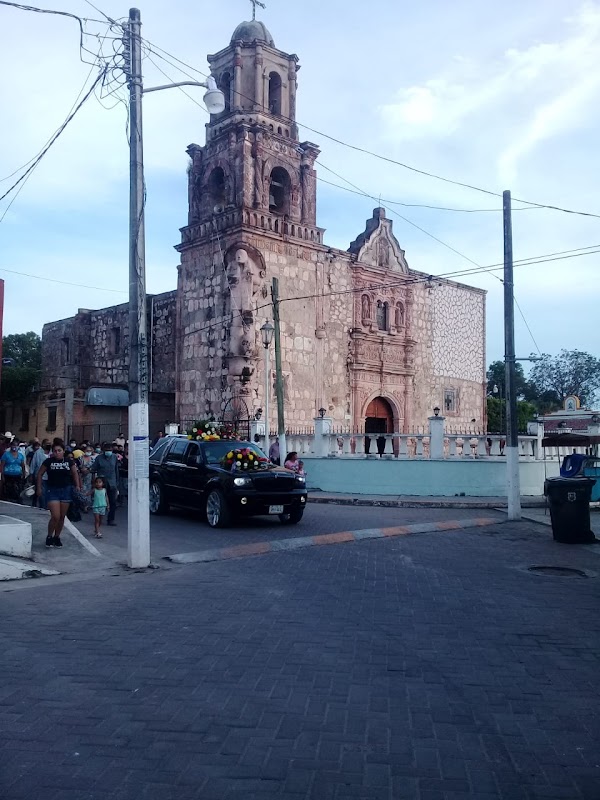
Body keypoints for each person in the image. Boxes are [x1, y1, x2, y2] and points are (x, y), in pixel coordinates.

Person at [36, 439, 80, 548]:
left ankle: (57, 537)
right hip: (52, 490)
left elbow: (75, 473)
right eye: (55, 451)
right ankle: (49, 536)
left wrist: (77, 485)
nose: (57, 453)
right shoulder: (48, 462)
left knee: (62, 517)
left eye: (59, 450)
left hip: (66, 490)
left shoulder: (69, 461)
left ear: (63, 451)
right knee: (55, 516)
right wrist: (39, 488)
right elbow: (40, 474)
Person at [92, 443, 119, 526]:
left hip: (112, 482)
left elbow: (116, 470)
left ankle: (111, 519)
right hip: (101, 483)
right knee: (100, 501)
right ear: (103, 451)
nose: (108, 452)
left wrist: (117, 483)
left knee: (113, 502)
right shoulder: (99, 458)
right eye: (107, 450)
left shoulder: (114, 457)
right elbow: (94, 468)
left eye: (110, 450)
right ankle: (99, 518)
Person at [78, 445, 96, 511]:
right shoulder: (80, 458)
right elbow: (78, 468)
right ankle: (82, 505)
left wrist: (88, 470)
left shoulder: (92, 459)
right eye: (87, 450)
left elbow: (93, 469)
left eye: (90, 451)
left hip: (89, 477)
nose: (88, 452)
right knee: (82, 490)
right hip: (81, 477)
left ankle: (87, 506)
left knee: (89, 490)